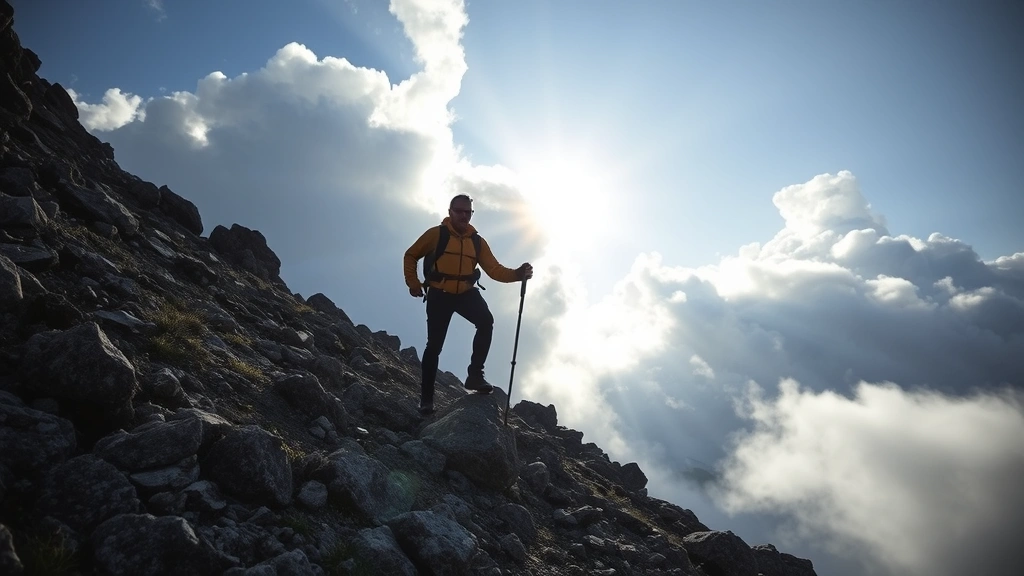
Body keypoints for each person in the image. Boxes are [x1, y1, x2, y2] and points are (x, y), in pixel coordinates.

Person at [404, 194, 533, 415]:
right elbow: (411, 254)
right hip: (439, 293)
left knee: (486, 321)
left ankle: (475, 376)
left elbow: (494, 270)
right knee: (434, 346)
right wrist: (413, 283)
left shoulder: (477, 241)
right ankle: (426, 400)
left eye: (468, 212)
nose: (464, 215)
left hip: (466, 292)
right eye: (459, 211)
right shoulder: (436, 234)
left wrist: (518, 274)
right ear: (450, 211)